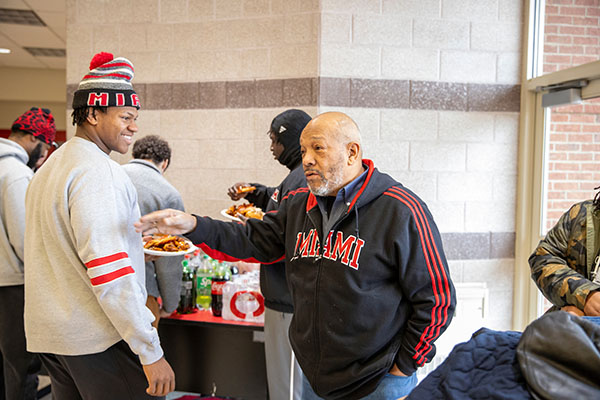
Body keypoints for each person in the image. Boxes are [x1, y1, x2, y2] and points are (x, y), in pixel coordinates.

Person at [136, 111, 456, 399]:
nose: (307, 159)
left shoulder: (400, 209)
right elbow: (252, 239)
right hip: (315, 377)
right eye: (303, 150)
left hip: (378, 381)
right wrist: (192, 225)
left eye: (318, 148)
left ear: (352, 152)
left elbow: (437, 299)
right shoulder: (299, 204)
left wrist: (405, 364)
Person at [23, 52, 175, 399]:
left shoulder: (52, 165)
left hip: (54, 337)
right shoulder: (99, 171)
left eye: (135, 117)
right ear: (92, 113)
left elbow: (61, 247)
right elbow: (110, 274)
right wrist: (150, 350)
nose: (134, 127)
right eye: (125, 117)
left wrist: (135, 249)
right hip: (98, 338)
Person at [226, 109, 311, 400]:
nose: (272, 149)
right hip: (285, 299)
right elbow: (278, 198)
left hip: (288, 303)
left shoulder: (302, 180)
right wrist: (256, 193)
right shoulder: (296, 177)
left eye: (275, 140)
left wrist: (242, 232)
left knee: (287, 388)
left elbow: (279, 238)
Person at [0, 107, 55, 400]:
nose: (43, 155)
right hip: (12, 287)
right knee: (20, 369)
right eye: (44, 147)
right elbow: (26, 242)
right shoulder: (17, 175)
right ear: (35, 138)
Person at [123, 135, 185, 328]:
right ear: (164, 163)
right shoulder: (168, 194)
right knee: (141, 356)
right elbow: (169, 259)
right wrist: (170, 303)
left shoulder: (113, 175)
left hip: (103, 285)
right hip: (142, 290)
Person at [529, 196, 600, 317]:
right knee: (488, 336)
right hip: (564, 327)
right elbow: (542, 258)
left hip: (581, 328)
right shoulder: (582, 214)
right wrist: (585, 295)